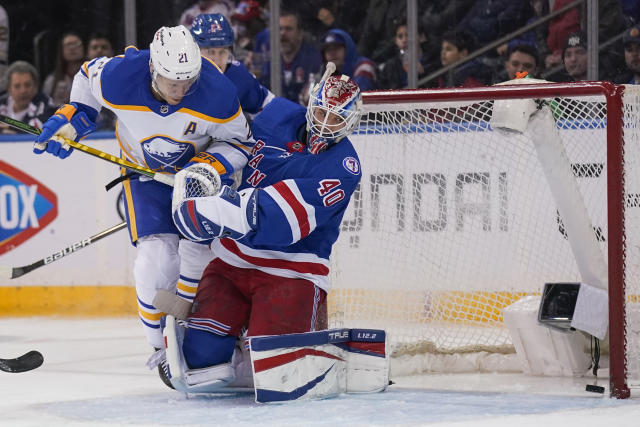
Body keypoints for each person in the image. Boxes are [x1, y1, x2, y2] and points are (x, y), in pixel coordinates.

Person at [31, 25, 254, 387]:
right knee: (156, 260)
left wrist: (207, 168)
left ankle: (221, 335)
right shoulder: (122, 75)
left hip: (199, 179)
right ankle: (161, 349)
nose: (181, 91)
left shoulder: (218, 92)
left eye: (188, 82)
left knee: (207, 260)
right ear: (154, 69)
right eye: (172, 83)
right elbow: (88, 77)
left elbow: (241, 146)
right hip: (145, 174)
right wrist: (73, 118)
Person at [167, 69, 362, 390]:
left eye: (337, 118)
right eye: (322, 111)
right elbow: (228, 128)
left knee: (278, 374)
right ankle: (239, 338)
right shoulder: (278, 114)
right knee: (199, 362)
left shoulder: (344, 165)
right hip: (232, 262)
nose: (326, 123)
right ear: (310, 102)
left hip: (293, 272)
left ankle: (283, 338)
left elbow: (282, 220)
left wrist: (211, 209)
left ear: (352, 121)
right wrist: (205, 170)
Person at [190, 13, 274, 120]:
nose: (217, 60)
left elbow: (271, 110)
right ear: (194, 51)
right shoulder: (177, 78)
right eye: (211, 52)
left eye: (223, 52)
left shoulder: (237, 77)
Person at [259, 10, 323, 105]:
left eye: (288, 29)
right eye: (280, 29)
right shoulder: (270, 61)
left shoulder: (314, 60)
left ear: (300, 34)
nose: (282, 33)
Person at [0, 60, 55, 133]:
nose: (23, 91)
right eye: (17, 86)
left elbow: (39, 129)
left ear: (36, 87)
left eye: (27, 85)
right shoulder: (2, 103)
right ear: (9, 89)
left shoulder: (46, 104)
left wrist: (11, 127)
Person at [378, 22, 426, 89]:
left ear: (421, 37)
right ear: (396, 41)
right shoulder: (390, 66)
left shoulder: (431, 60)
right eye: (400, 37)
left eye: (408, 35)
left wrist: (422, 74)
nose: (404, 40)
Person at [42, 31, 85, 106]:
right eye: (68, 45)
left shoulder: (93, 76)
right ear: (62, 50)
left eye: (76, 44)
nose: (72, 48)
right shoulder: (52, 81)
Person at [86, 33, 116, 130]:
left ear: (112, 52)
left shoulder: (122, 77)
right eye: (95, 47)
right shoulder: (79, 80)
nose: (99, 50)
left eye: (104, 47)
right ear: (88, 53)